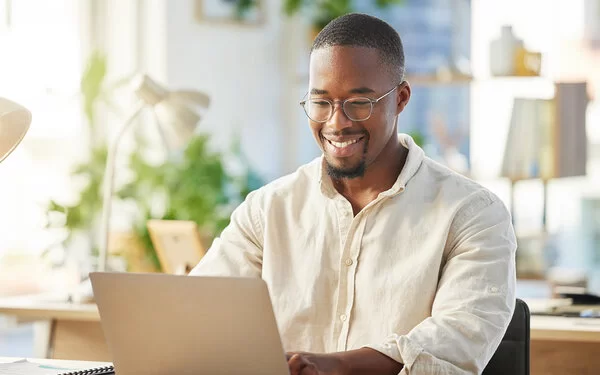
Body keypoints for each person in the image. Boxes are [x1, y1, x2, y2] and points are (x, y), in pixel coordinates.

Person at [190, 13, 516, 375]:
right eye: (321, 102)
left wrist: (334, 366)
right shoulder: (268, 209)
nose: (336, 122)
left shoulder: (473, 214)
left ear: (401, 98)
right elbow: (199, 316)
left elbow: (456, 342)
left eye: (359, 103)